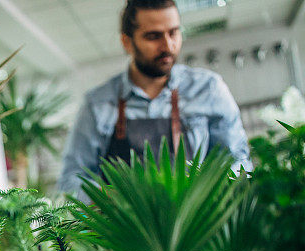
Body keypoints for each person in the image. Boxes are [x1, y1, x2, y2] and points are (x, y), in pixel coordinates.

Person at [57, 0, 252, 201]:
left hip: (199, 227)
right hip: (127, 229)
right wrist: (106, 199)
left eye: (174, 32)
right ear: (127, 42)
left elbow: (237, 159)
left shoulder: (209, 89)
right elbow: (71, 178)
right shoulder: (96, 104)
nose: (168, 45)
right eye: (153, 36)